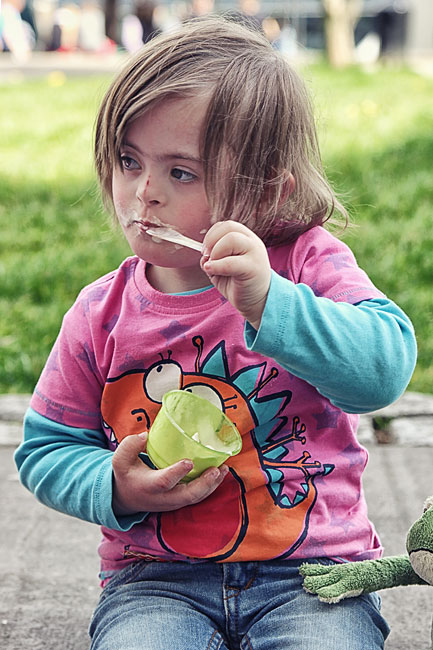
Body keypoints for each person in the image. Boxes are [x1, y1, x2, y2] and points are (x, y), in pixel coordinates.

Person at [15, 15, 416, 650]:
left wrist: (270, 303)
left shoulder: (305, 266)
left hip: (313, 574)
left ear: (266, 191)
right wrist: (114, 485)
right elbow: (46, 450)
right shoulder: (102, 313)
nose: (144, 193)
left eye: (182, 172)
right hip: (155, 578)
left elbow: (383, 372)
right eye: (128, 160)